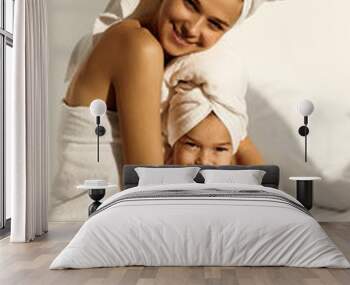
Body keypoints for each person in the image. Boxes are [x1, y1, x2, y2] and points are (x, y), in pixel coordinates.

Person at [62, 0, 263, 165]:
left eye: (215, 24)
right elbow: (151, 189)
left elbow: (241, 143)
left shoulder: (181, 68)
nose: (192, 29)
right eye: (191, 4)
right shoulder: (139, 48)